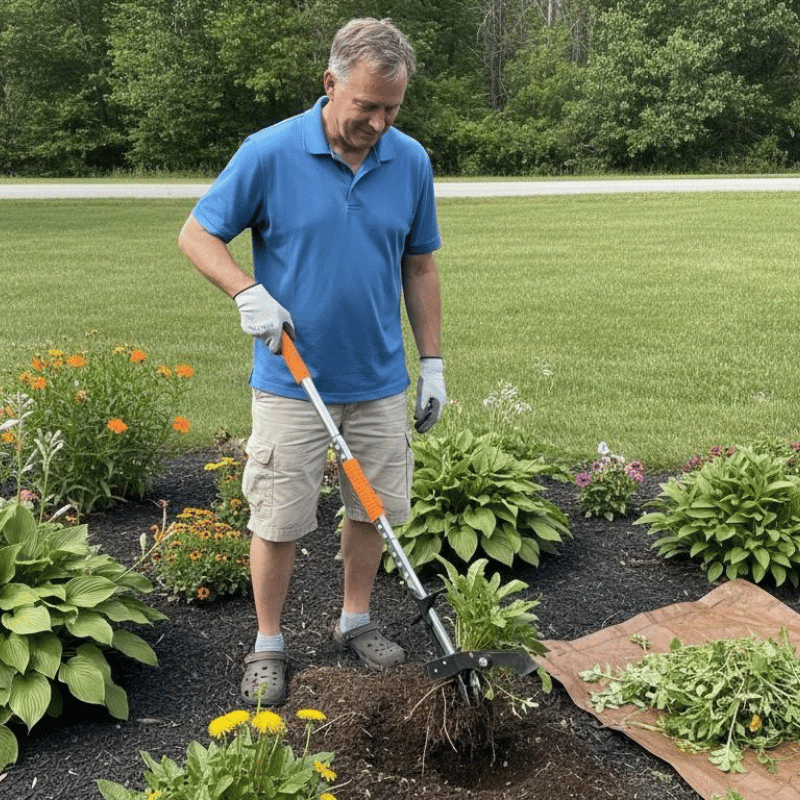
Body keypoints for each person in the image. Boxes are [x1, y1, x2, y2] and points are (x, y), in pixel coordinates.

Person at [178, 17, 446, 707]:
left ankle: (355, 620)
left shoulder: (410, 161)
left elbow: (419, 266)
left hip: (379, 378)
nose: (380, 123)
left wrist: (434, 362)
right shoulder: (268, 153)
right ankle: (268, 642)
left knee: (372, 510)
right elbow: (197, 232)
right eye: (367, 107)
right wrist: (246, 290)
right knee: (278, 516)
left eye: (392, 109)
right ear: (330, 85)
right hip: (292, 381)